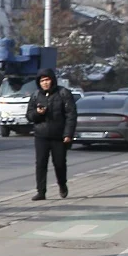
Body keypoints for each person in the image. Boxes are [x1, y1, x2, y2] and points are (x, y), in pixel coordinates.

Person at [27, 68, 77, 200]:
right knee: (41, 164)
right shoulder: (36, 95)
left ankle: (62, 184)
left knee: (59, 163)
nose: (45, 83)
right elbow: (29, 116)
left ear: (52, 80)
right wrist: (38, 113)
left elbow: (71, 115)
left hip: (58, 136)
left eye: (47, 80)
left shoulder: (63, 93)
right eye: (42, 81)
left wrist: (68, 134)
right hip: (41, 135)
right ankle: (41, 191)